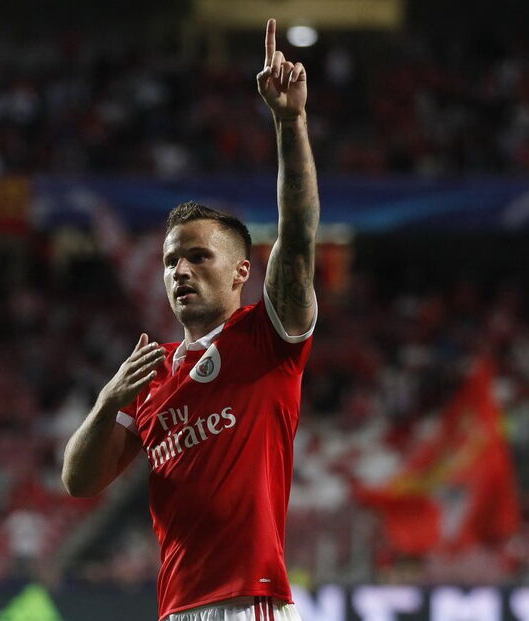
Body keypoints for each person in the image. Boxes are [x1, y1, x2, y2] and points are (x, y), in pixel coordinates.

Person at [61, 18, 319, 621]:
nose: (179, 270)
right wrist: (107, 402)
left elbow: (300, 235)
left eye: (198, 256)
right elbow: (79, 482)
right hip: (177, 610)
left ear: (239, 272)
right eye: (171, 260)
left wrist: (290, 123)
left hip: (246, 602)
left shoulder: (268, 336)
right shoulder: (148, 374)